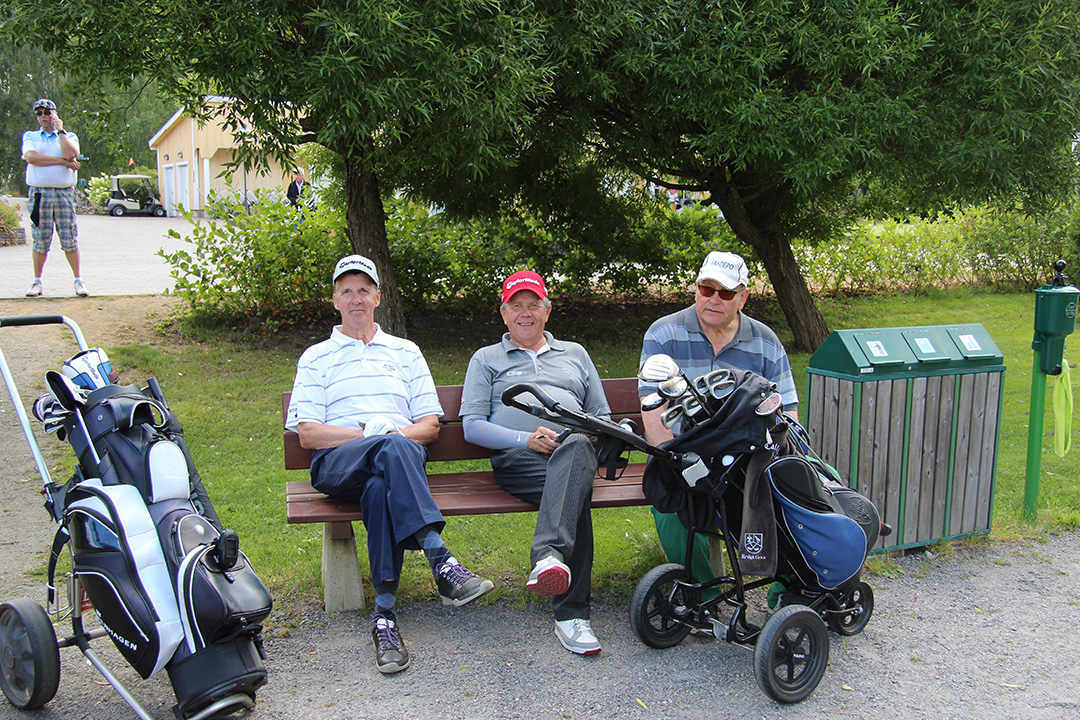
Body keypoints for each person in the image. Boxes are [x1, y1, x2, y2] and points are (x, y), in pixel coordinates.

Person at [287, 254, 494, 674]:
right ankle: (440, 559)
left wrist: (391, 437)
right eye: (347, 291)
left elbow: (430, 426)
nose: (356, 298)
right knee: (389, 448)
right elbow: (308, 434)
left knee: (381, 485)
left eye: (363, 290)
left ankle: (384, 617)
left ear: (378, 297)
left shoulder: (406, 352)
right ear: (335, 300)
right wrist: (370, 435)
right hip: (339, 464)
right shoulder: (316, 357)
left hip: (397, 463)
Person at [461, 271, 609, 656]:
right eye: (516, 306)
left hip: (573, 452)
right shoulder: (486, 359)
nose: (525, 313)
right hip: (518, 459)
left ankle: (548, 557)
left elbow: (602, 416)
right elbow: (472, 426)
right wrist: (525, 439)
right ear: (504, 313)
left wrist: (580, 435)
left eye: (533, 304)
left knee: (576, 454)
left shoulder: (575, 354)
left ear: (547, 310)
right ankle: (571, 616)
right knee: (573, 493)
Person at [638, 251, 798, 594]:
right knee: (669, 502)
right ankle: (704, 593)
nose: (713, 299)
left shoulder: (766, 341)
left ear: (743, 297)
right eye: (706, 289)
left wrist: (777, 461)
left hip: (748, 459)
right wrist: (669, 458)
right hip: (687, 454)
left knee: (797, 493)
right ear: (696, 289)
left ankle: (788, 593)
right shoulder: (663, 334)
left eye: (725, 293)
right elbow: (653, 410)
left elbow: (787, 411)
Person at [22, 98, 87, 297]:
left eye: (47, 112)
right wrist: (62, 162)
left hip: (63, 192)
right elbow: (32, 158)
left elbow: (71, 154)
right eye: (39, 113)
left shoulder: (69, 136)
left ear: (54, 114)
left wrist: (60, 131)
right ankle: (37, 282)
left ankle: (78, 280)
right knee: (40, 238)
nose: (43, 116)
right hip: (39, 193)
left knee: (69, 237)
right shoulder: (31, 136)